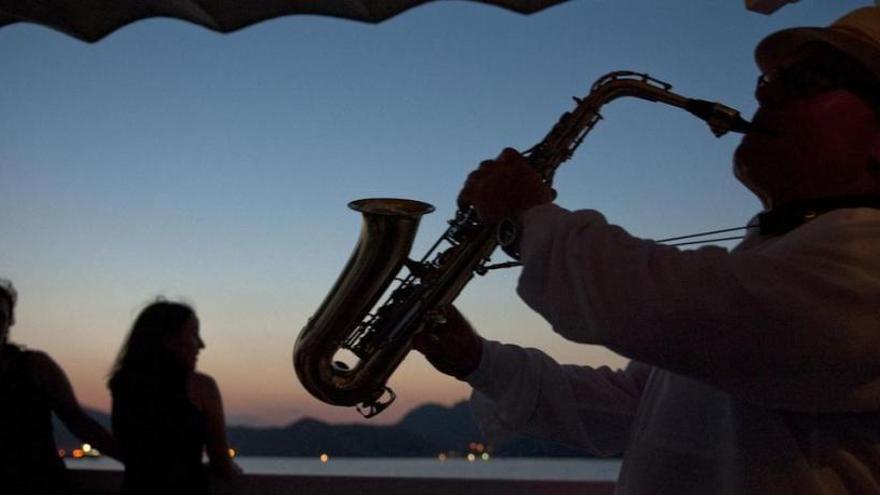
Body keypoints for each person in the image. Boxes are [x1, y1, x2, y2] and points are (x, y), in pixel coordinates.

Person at [414, 6, 880, 495]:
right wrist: (477, 361)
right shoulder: (780, 258)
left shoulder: (862, 263)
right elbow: (635, 406)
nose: (765, 92)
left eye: (805, 79)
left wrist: (526, 213)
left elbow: (679, 305)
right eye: (768, 80)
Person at [108, 300, 240, 495]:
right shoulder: (201, 387)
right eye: (194, 334)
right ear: (169, 340)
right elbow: (221, 463)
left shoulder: (123, 386)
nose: (201, 345)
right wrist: (232, 469)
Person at [0, 278, 118, 495]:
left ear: (10, 321)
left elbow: (79, 422)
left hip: (41, 484)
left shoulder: (35, 366)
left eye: (0, 316)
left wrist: (136, 459)